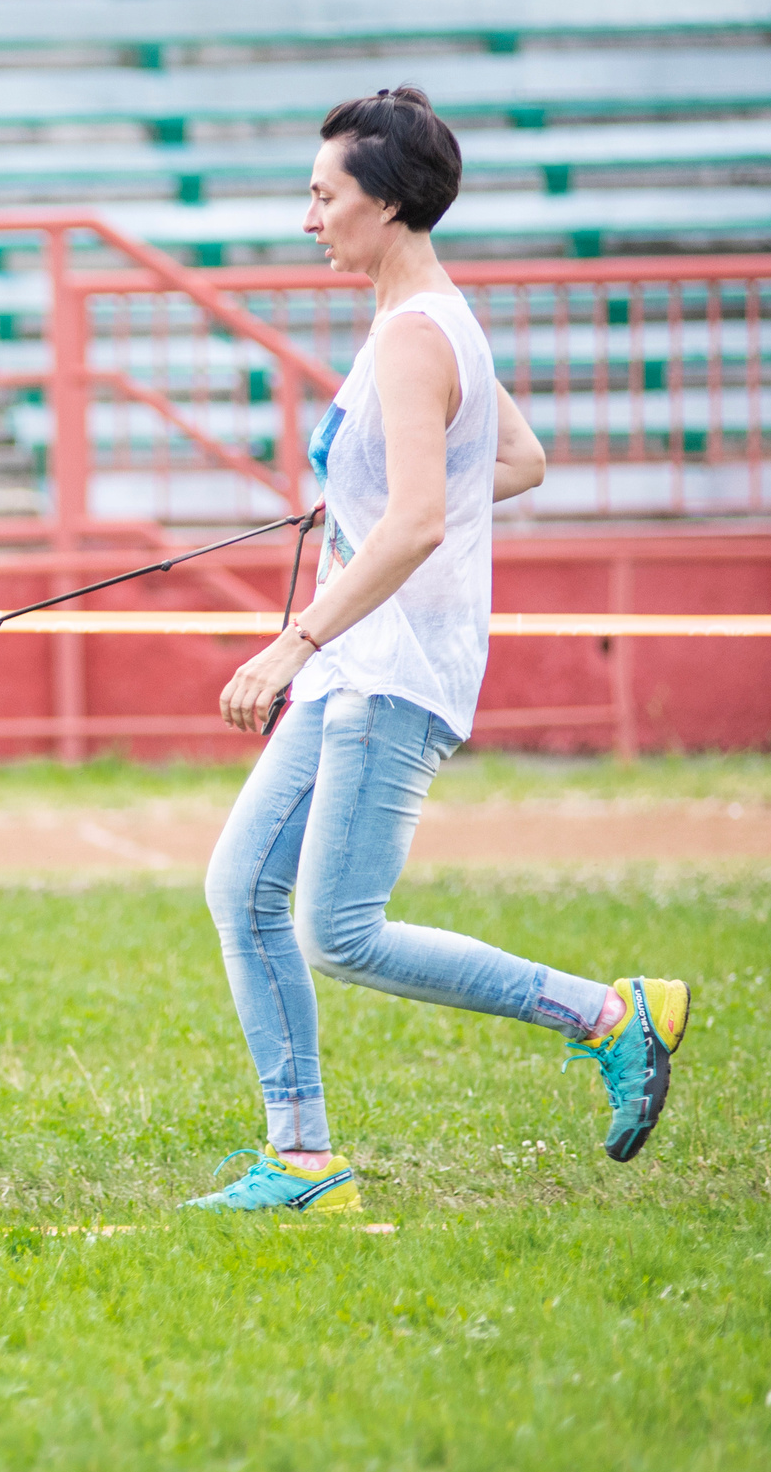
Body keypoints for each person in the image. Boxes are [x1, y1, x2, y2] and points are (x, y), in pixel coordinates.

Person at [186, 87, 689, 1214]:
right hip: (357, 666)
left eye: (323, 196)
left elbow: (422, 520)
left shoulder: (414, 340)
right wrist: (367, 510)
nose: (306, 216)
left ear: (390, 203)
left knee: (340, 932)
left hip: (381, 669)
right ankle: (302, 1160)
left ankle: (611, 1016)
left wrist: (291, 639)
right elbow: (514, 460)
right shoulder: (424, 322)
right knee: (243, 892)